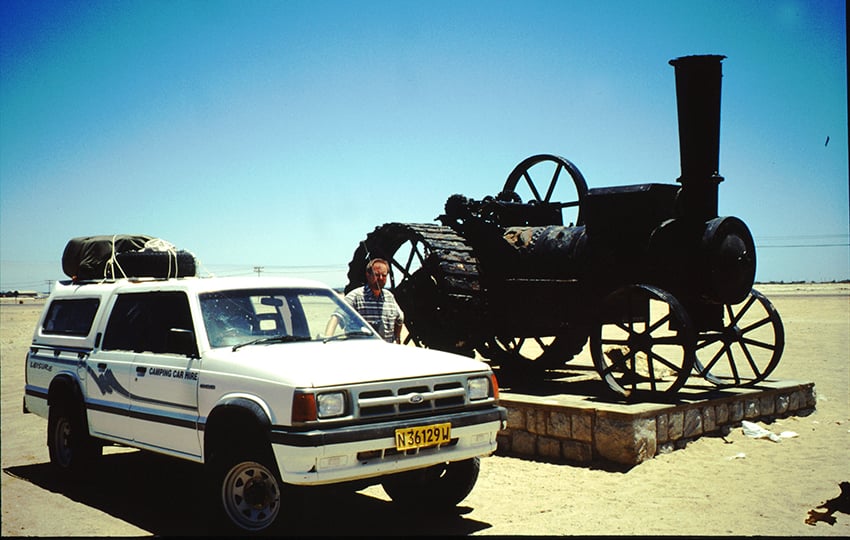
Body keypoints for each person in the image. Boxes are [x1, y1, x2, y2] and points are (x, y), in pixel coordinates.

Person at [327, 258, 404, 343]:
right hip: (362, 351)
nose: (381, 278)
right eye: (377, 275)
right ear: (368, 275)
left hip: (386, 350)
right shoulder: (355, 296)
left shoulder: (389, 297)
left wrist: (397, 338)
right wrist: (327, 340)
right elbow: (336, 317)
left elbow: (400, 318)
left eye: (384, 275)